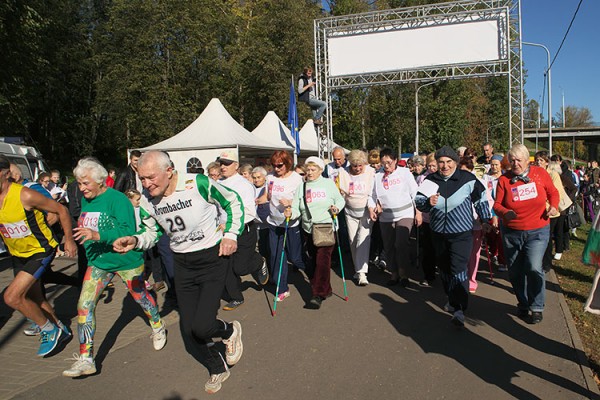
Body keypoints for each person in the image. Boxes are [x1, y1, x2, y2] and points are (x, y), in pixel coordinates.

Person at [112, 150, 244, 394]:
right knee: (187, 329)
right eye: (142, 178)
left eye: (151, 178)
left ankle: (229, 330)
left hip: (212, 259)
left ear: (169, 171)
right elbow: (150, 233)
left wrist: (230, 234)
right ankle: (217, 368)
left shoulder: (198, 184)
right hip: (183, 264)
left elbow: (233, 201)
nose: (146, 184)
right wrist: (134, 240)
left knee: (202, 327)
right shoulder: (147, 200)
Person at [62, 158, 166, 378]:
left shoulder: (118, 199)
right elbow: (87, 228)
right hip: (99, 263)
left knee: (141, 297)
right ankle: (86, 359)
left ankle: (157, 324)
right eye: (79, 184)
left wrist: (97, 235)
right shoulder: (87, 200)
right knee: (84, 305)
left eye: (86, 183)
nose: (82, 188)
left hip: (126, 260)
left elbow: (126, 232)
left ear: (100, 181)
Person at [1, 155, 77, 356]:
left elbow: (61, 210)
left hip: (40, 251)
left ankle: (48, 330)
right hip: (18, 254)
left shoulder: (24, 195)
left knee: (11, 297)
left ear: (6, 174)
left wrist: (68, 239)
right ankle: (61, 328)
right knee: (35, 297)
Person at [415, 146, 491, 327]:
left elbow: (481, 198)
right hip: (438, 233)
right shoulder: (430, 180)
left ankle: (459, 308)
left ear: (455, 162)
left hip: (462, 233)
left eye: (449, 162)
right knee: (444, 269)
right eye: (441, 162)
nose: (445, 166)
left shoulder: (467, 179)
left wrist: (485, 219)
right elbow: (418, 202)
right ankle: (452, 298)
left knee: (458, 268)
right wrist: (428, 202)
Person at [493, 144, 559, 324]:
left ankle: (537, 306)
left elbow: (553, 192)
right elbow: (496, 205)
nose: (515, 164)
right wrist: (505, 213)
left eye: (519, 160)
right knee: (515, 272)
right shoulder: (504, 180)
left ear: (526, 159)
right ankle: (523, 302)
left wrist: (553, 206)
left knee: (533, 266)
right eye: (512, 160)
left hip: (537, 230)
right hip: (512, 232)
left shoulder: (539, 174)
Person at [284, 156, 344, 308]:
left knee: (322, 261)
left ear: (320, 170)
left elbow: (340, 200)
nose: (309, 172)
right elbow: (297, 208)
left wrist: (336, 208)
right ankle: (327, 288)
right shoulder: (302, 187)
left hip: (325, 228)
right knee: (314, 262)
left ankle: (318, 294)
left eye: (313, 169)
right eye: (307, 169)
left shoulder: (328, 184)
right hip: (308, 229)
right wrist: (291, 214)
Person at [217, 150, 269, 311]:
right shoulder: (218, 183)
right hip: (222, 233)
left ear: (236, 165)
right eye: (221, 163)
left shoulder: (244, 185)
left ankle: (259, 261)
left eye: (227, 163)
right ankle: (236, 297)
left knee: (240, 268)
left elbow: (249, 211)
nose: (223, 166)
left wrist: (230, 223)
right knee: (225, 266)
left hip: (244, 230)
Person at [256, 151, 306, 301]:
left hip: (290, 223)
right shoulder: (270, 178)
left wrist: (290, 203)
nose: (276, 168)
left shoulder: (296, 179)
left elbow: (302, 200)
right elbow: (267, 196)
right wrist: (257, 200)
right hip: (274, 223)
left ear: (287, 163)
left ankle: (315, 274)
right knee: (277, 256)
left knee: (295, 258)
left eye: (280, 165)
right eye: (274, 165)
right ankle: (282, 288)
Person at [369, 148, 422, 287]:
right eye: (383, 163)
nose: (386, 165)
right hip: (386, 216)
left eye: (389, 162)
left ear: (395, 161)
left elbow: (415, 193)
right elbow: (372, 195)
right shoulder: (377, 176)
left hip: (404, 214)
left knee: (401, 244)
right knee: (389, 246)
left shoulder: (404, 173)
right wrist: (372, 207)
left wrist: (418, 212)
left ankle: (404, 273)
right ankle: (394, 273)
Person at [338, 150, 375, 286]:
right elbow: (341, 194)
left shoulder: (370, 172)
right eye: (355, 166)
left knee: (362, 240)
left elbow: (372, 192)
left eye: (361, 165)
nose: (358, 169)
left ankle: (362, 273)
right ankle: (357, 268)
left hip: (366, 211)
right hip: (350, 211)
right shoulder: (343, 173)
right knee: (353, 241)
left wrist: (372, 207)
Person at [535, 152, 572, 269]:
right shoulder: (533, 174)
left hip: (550, 211)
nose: (538, 162)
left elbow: (557, 193)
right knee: (538, 237)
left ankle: (546, 263)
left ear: (547, 162)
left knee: (547, 237)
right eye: (537, 160)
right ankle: (538, 261)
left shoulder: (553, 175)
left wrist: (549, 203)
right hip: (537, 211)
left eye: (541, 160)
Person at [482, 154, 507, 271]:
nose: (494, 167)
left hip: (501, 210)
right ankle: (494, 253)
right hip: (488, 209)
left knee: (500, 236)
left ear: (501, 165)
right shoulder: (486, 177)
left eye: (496, 164)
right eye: (492, 164)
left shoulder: (505, 177)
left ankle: (502, 260)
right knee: (491, 234)